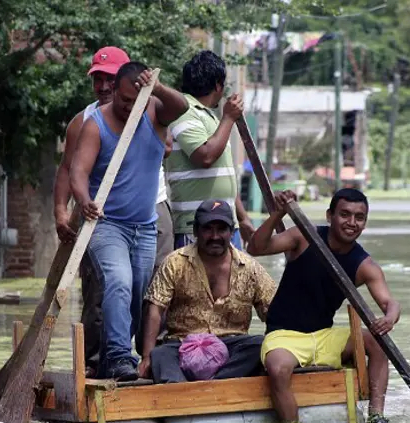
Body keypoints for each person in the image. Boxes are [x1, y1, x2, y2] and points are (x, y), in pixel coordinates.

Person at [53, 47, 174, 376]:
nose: (104, 87)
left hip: (147, 219)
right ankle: (113, 358)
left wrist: (158, 88)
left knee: (140, 290)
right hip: (104, 222)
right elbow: (72, 170)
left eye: (110, 79)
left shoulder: (152, 110)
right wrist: (67, 209)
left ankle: (131, 353)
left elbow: (180, 107)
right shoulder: (88, 122)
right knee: (113, 286)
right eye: (99, 80)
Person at [247, 188, 401, 423]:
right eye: (345, 214)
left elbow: (389, 303)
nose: (351, 223)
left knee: (378, 341)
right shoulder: (304, 237)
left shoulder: (365, 265)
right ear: (330, 216)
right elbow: (256, 248)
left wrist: (390, 317)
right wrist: (277, 214)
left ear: (365, 222)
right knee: (277, 369)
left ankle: (376, 416)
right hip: (284, 335)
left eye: (359, 217)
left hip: (324, 337)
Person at [139, 199, 276, 383]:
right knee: (160, 354)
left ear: (231, 232)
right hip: (182, 345)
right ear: (196, 231)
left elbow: (275, 313)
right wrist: (147, 357)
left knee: (261, 345)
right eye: (208, 229)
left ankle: (213, 384)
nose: (215, 236)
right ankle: (180, 388)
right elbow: (155, 309)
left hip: (231, 346)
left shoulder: (250, 268)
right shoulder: (175, 262)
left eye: (221, 229)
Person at [164, 50, 255, 249]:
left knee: (229, 281)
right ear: (217, 85)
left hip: (226, 223)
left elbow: (224, 173)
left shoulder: (212, 118)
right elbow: (205, 157)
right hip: (197, 227)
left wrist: (242, 217)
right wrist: (229, 117)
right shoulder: (184, 111)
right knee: (196, 281)